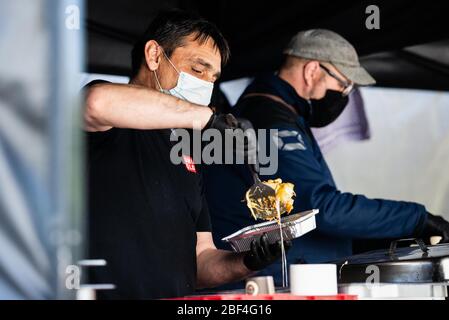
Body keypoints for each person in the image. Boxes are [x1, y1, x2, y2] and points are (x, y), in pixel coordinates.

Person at [202, 29, 449, 286]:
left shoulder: (278, 114)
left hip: (279, 274)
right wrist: (416, 219)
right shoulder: (270, 122)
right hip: (269, 281)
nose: (344, 95)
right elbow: (321, 209)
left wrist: (382, 237)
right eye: (343, 85)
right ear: (312, 71)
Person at [83, 10, 290, 299]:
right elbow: (97, 103)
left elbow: (200, 260)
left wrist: (246, 262)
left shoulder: (186, 150)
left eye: (213, 78)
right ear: (154, 55)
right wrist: (208, 118)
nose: (206, 84)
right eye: (198, 69)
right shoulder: (106, 112)